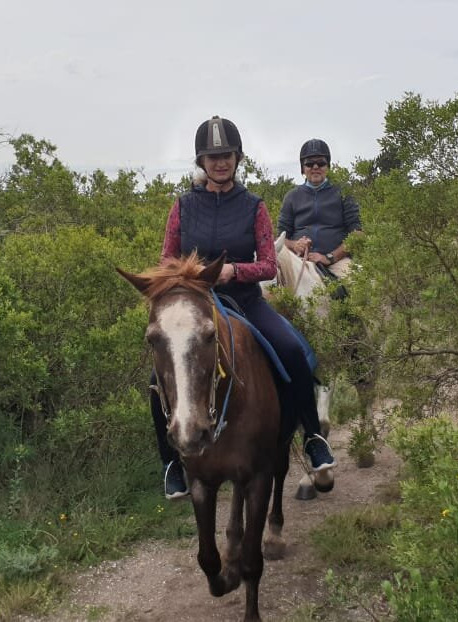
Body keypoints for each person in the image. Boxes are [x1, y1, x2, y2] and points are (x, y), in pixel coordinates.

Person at [154, 116, 336, 499]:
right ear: (201, 162)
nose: (220, 162)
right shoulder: (183, 207)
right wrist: (192, 277)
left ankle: (313, 437)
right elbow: (167, 260)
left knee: (292, 351)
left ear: (237, 158)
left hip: (247, 300)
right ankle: (171, 461)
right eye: (212, 156)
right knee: (160, 373)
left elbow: (269, 264)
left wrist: (234, 270)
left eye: (226, 155)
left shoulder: (254, 206)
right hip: (198, 304)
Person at [278, 139, 362, 280]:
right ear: (302, 168)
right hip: (298, 261)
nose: (315, 167)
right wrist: (295, 245)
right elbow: (280, 238)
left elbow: (357, 234)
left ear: (327, 166)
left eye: (321, 163)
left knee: (361, 283)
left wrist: (329, 257)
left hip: (337, 262)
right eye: (309, 163)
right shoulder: (291, 197)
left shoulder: (343, 193)